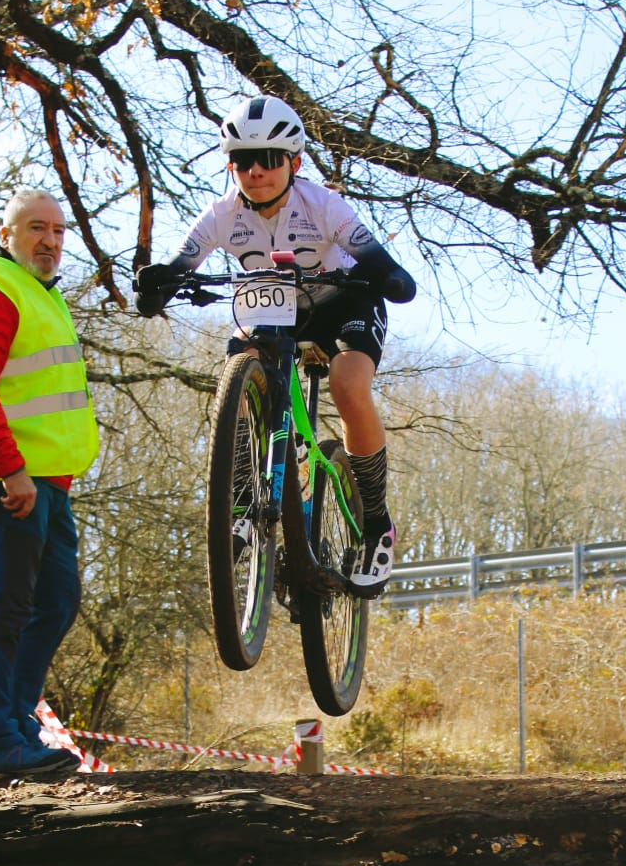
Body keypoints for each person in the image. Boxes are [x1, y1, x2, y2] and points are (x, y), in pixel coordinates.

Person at [134, 95, 416, 593]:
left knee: (349, 386)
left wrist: (391, 276)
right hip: (274, 308)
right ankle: (244, 500)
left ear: (294, 163)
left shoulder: (322, 205)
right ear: (231, 166)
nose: (256, 171)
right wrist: (160, 284)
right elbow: (180, 265)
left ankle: (376, 523)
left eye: (269, 158)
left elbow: (374, 255)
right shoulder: (221, 214)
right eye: (244, 160)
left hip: (342, 301)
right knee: (241, 362)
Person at [0, 189, 98, 783]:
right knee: (8, 605)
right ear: (6, 234)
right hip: (12, 478)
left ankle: (15, 722)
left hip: (46, 480)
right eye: (37, 228)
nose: (50, 241)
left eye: (58, 231)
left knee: (56, 600)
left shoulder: (40, 293)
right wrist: (11, 469)